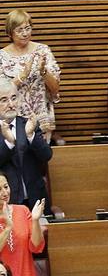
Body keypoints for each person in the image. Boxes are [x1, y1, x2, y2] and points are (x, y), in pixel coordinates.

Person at [0, 11, 60, 135]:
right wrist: (23, 75)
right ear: (10, 33)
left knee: (41, 153)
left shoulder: (43, 51)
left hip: (41, 119)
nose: (25, 33)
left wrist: (44, 72)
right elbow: (2, 92)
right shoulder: (2, 57)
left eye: (28, 28)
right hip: (12, 120)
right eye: (19, 30)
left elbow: (55, 89)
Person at [0, 77, 53, 209]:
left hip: (35, 199)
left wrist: (31, 136)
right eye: (4, 100)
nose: (11, 104)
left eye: (14, 98)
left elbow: (46, 155)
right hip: (6, 203)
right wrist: (9, 143)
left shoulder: (28, 124)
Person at [0, 173, 46, 276]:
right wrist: (8, 227)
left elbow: (36, 246)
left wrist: (36, 220)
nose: (4, 193)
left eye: (6, 187)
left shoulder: (22, 210)